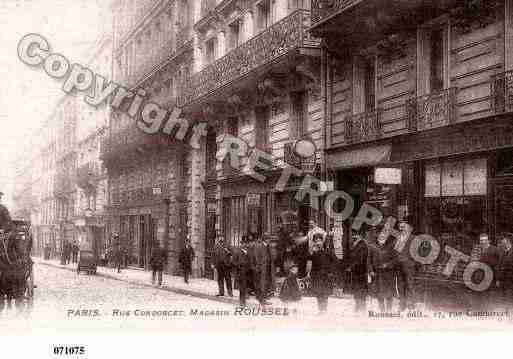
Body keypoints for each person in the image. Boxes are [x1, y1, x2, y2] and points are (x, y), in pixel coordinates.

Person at [368, 226, 397, 312]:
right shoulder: (372, 246)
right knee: (379, 292)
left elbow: (395, 259)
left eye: (384, 235)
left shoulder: (391, 247)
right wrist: (370, 270)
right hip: (378, 273)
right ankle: (382, 310)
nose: (382, 237)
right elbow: (368, 260)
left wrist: (387, 265)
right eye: (380, 235)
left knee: (389, 293)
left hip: (388, 273)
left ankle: (389, 310)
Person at [306, 234, 337, 314]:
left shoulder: (327, 250)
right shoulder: (313, 251)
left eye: (319, 240)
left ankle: (324, 309)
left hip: (326, 275)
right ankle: (320, 309)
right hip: (316, 275)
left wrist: (331, 271)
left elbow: (334, 261)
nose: (318, 243)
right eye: (316, 241)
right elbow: (309, 262)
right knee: (318, 293)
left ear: (322, 241)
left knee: (325, 293)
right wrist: (308, 273)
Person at [344, 229, 369, 313]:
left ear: (360, 236)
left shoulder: (362, 245)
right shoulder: (355, 244)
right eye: (353, 235)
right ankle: (358, 306)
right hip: (356, 271)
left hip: (361, 271)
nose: (354, 236)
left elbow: (360, 259)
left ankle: (362, 307)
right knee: (356, 289)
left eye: (356, 235)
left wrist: (351, 267)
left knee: (361, 290)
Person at [250, 234, 271, 305]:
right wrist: (259, 267)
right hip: (261, 268)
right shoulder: (259, 246)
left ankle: (263, 298)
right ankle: (261, 299)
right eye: (268, 239)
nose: (269, 240)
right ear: (265, 239)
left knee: (265, 283)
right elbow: (256, 257)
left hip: (267, 268)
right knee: (261, 284)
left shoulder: (267, 246)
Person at [232, 235, 252, 307]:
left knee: (246, 287)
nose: (245, 245)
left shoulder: (248, 252)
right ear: (241, 243)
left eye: (246, 243)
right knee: (242, 288)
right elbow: (233, 262)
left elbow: (251, 261)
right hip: (241, 272)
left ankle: (244, 301)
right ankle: (242, 302)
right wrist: (239, 265)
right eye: (244, 243)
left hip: (248, 272)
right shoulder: (237, 251)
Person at [497, 236, 513, 305]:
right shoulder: (502, 252)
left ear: (508, 243)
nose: (502, 245)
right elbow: (499, 266)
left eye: (504, 243)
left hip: (511, 279)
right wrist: (498, 279)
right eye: (502, 244)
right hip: (503, 280)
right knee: (503, 298)